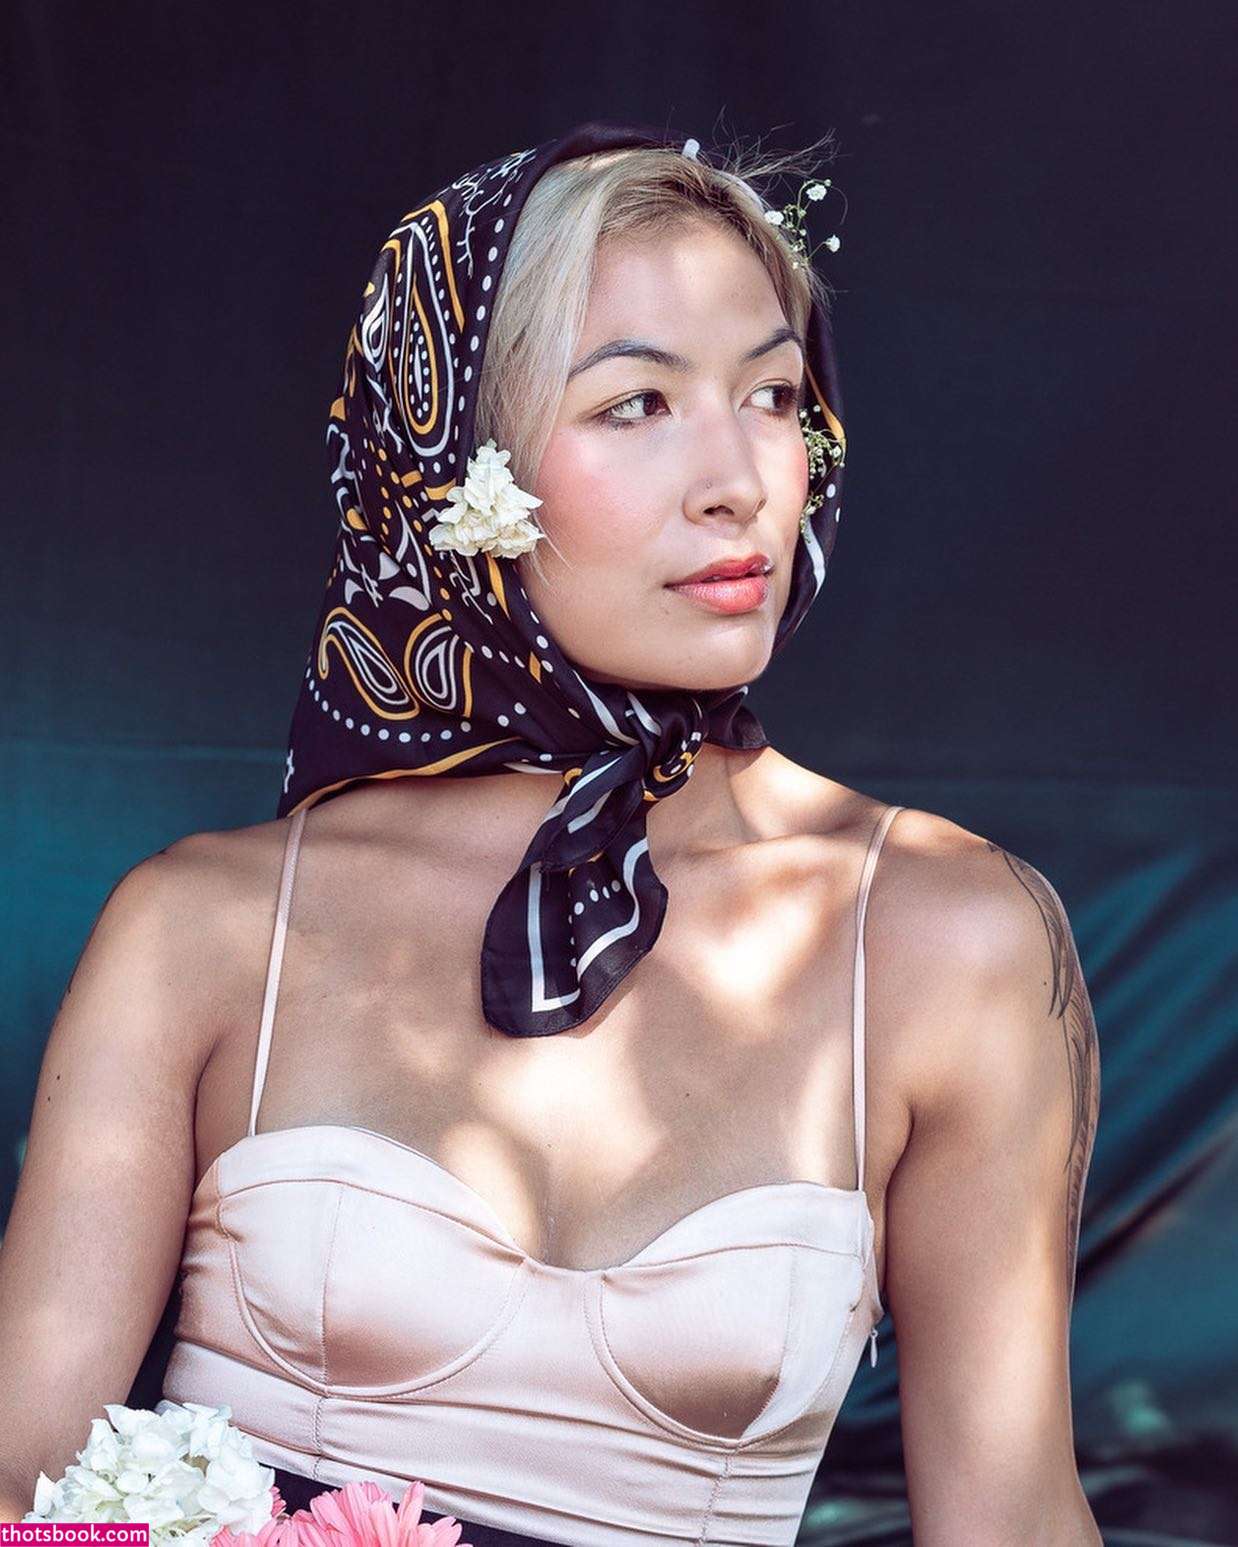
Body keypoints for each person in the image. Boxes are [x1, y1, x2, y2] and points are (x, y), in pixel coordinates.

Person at [0, 121, 1102, 1545]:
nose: (738, 478)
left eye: (772, 395)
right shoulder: (209, 929)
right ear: (448, 466)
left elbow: (1011, 1514)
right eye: (635, 403)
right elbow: (18, 1483)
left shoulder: (950, 933)